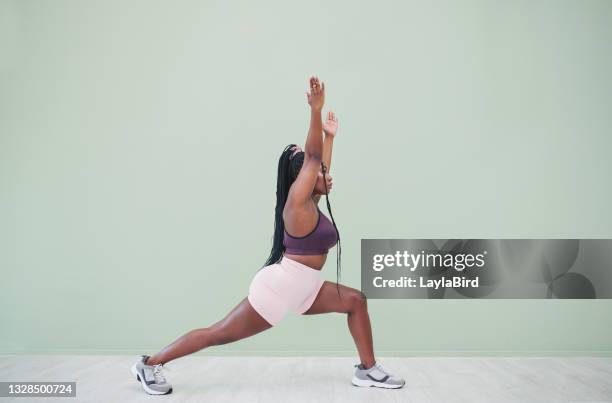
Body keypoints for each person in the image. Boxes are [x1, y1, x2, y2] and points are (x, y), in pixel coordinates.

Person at [130, 76, 405, 395]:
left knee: (356, 301)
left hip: (306, 289)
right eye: (316, 173)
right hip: (277, 289)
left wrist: (330, 138)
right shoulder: (296, 206)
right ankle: (149, 364)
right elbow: (314, 160)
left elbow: (320, 163)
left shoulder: (310, 203)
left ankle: (368, 370)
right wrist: (316, 112)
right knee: (217, 333)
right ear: (301, 178)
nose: (325, 176)